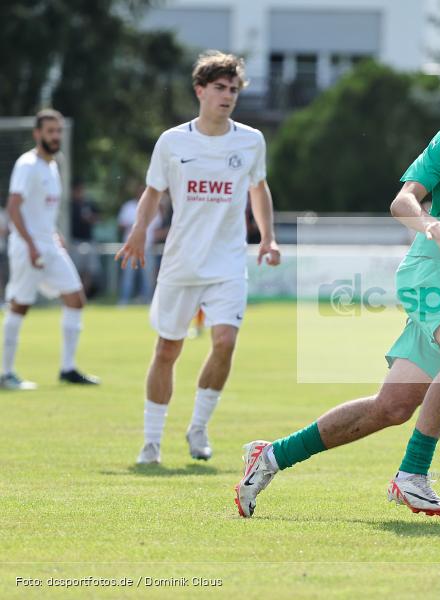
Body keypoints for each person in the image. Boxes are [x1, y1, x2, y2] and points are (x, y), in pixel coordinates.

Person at [234, 52, 440, 519]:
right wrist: (429, 224)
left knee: (391, 407)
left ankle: (269, 457)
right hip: (429, 267)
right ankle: (411, 476)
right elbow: (402, 201)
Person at [116, 51, 280, 465]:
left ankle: (199, 426)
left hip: (226, 263)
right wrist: (138, 231)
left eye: (234, 89)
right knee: (167, 350)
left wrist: (267, 237)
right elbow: (154, 191)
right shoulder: (172, 142)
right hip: (181, 263)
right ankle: (151, 441)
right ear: (200, 91)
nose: (228, 96)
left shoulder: (250, 140)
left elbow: (258, 188)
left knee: (224, 341)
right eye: (220, 88)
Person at [2, 109, 99, 389]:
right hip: (27, 248)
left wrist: (54, 234)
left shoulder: (54, 164)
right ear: (38, 134)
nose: (56, 136)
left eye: (58, 131)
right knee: (19, 305)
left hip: (50, 246)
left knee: (75, 298)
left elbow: (42, 209)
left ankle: (67, 368)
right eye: (50, 131)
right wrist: (32, 245)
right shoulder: (27, 164)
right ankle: (5, 373)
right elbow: (13, 208)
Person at [117, 185, 161, 305]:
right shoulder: (129, 206)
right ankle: (124, 300)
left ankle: (147, 300)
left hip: (147, 248)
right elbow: (120, 225)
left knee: (148, 277)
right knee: (128, 277)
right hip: (130, 248)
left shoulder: (153, 207)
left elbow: (157, 228)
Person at [68, 180, 101, 295]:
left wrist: (89, 218)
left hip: (89, 240)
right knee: (75, 270)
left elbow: (98, 218)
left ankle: (84, 295)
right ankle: (76, 294)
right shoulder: (70, 205)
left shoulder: (88, 203)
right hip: (75, 241)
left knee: (89, 271)